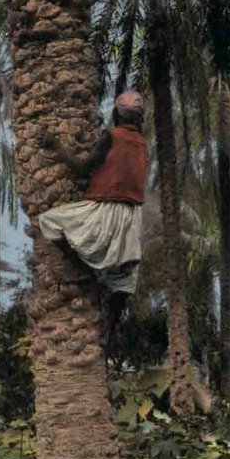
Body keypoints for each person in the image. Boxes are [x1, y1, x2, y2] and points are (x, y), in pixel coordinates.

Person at [38, 90, 150, 351]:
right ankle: (109, 330)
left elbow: (82, 166)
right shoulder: (143, 143)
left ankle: (81, 267)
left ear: (115, 113)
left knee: (50, 221)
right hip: (132, 216)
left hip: (105, 210)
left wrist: (56, 145)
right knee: (124, 281)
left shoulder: (111, 137)